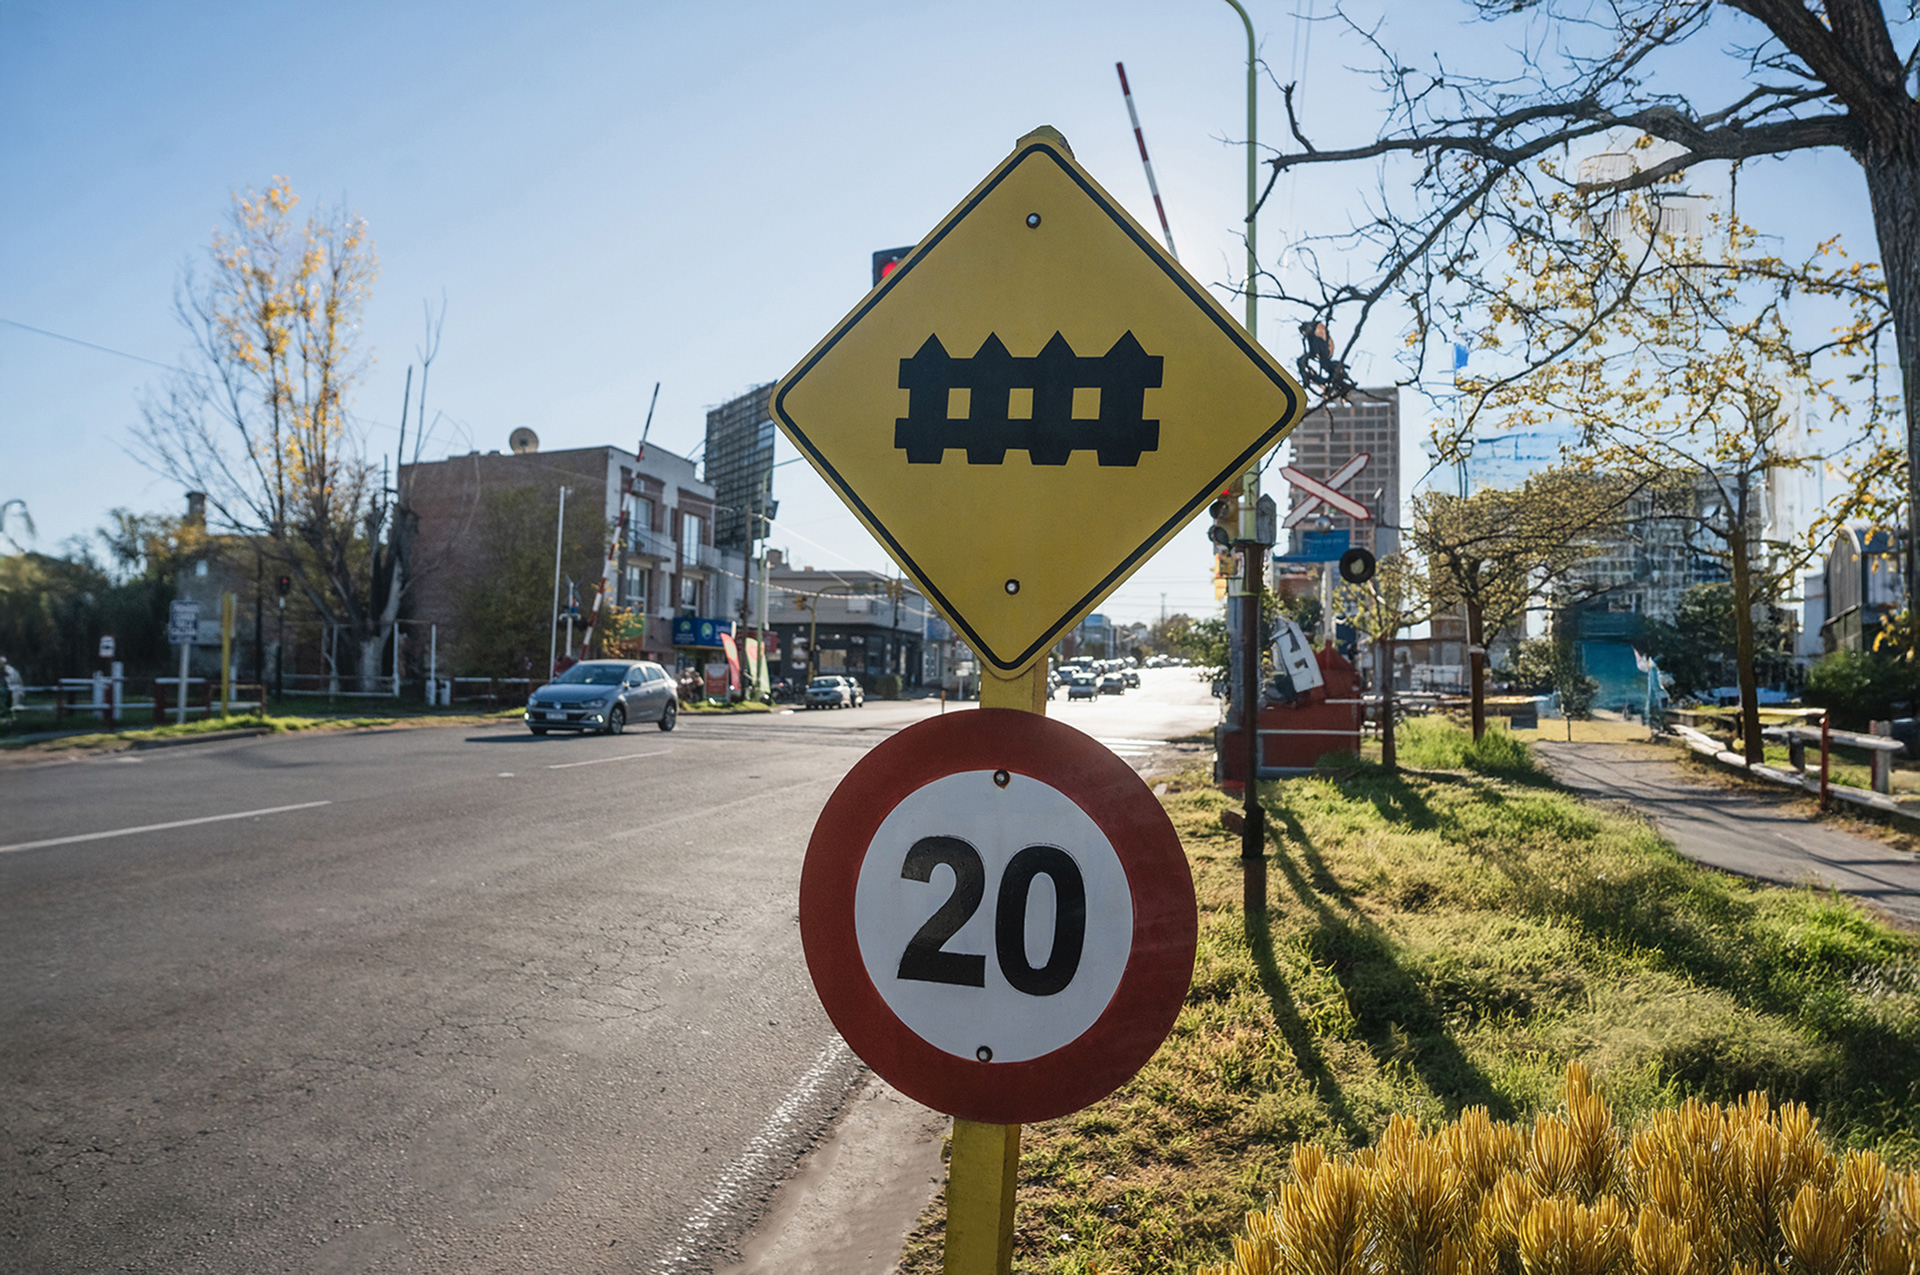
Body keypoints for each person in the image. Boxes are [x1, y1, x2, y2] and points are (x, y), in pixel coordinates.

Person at [2, 655, 24, 724]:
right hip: (8, 689)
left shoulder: (10, 670)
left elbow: (12, 680)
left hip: (15, 688)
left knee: (14, 704)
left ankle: (14, 718)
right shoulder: (4, 670)